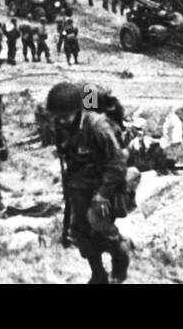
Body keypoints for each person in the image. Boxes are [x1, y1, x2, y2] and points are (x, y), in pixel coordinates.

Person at [47, 82, 132, 284]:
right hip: (79, 184)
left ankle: (121, 257)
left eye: (65, 116)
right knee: (80, 230)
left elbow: (118, 162)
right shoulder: (63, 124)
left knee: (98, 222)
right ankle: (98, 274)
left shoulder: (97, 127)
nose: (61, 120)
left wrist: (102, 194)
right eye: (58, 116)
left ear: (77, 111)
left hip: (103, 184)